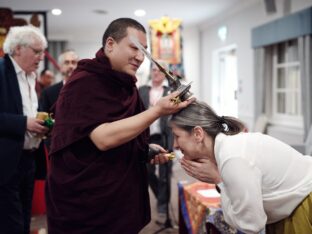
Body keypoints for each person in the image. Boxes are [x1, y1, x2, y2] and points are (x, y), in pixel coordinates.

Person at [45, 18, 195, 234]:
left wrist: (143, 150)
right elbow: (103, 138)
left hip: (120, 198)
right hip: (86, 203)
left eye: (144, 51)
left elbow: (124, 132)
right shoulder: (84, 82)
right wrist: (157, 111)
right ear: (110, 44)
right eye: (134, 47)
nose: (140, 57)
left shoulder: (126, 85)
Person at [170, 101, 312, 234]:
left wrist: (218, 180)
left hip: (303, 203)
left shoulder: (232, 158)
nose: (175, 145)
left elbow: (251, 225)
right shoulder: (228, 146)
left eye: (177, 136)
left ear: (198, 134)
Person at [0, 25, 49, 234]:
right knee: (12, 224)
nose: (41, 57)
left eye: (42, 52)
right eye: (36, 51)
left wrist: (41, 127)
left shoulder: (31, 76)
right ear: (18, 49)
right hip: (6, 162)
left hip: (28, 158)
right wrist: (24, 123)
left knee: (24, 220)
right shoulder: (1, 71)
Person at [139, 61, 173, 224]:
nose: (156, 73)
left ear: (166, 73)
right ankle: (161, 196)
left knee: (166, 175)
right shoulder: (143, 90)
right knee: (147, 172)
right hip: (146, 137)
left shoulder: (170, 91)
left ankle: (162, 208)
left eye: (160, 70)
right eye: (154, 69)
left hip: (165, 137)